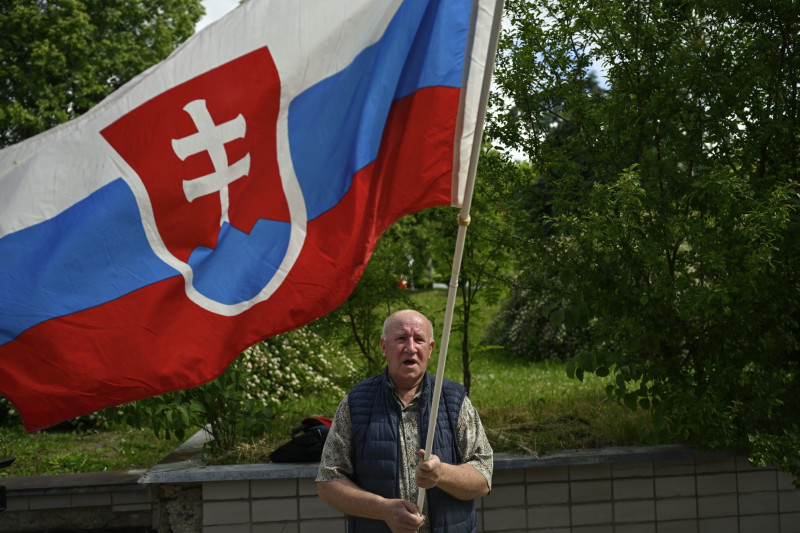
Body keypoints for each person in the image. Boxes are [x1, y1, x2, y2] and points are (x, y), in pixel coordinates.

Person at [316, 309, 493, 533]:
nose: (410, 348)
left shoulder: (454, 401)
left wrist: (442, 474)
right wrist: (383, 510)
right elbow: (327, 482)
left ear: (430, 350)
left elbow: (484, 478)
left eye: (419, 339)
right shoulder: (357, 403)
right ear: (383, 347)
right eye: (401, 339)